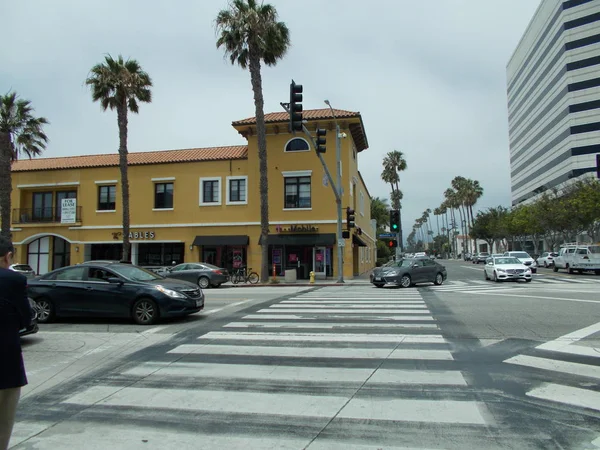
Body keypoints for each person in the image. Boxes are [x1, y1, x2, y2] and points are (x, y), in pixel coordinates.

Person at [0, 237, 32, 450]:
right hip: (6, 362)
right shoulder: (14, 281)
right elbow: (26, 319)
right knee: (4, 421)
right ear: (8, 256)